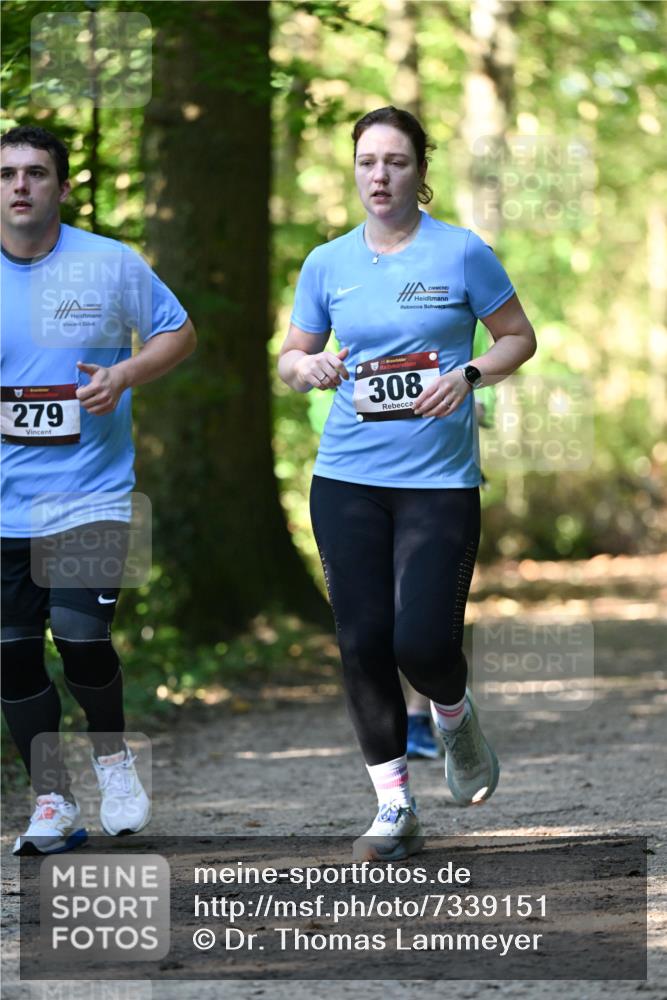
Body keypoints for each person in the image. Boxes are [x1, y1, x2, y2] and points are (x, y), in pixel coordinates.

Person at [278, 106, 536, 862]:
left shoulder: (461, 254)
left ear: (421, 171)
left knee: (421, 640)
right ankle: (393, 807)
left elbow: (517, 336)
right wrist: (309, 368)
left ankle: (453, 718)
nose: (379, 175)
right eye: (366, 162)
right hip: (346, 479)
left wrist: (468, 374)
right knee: (360, 641)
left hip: (438, 483)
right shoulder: (327, 263)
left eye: (394, 161)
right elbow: (291, 359)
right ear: (353, 171)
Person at [1, 125, 196, 855]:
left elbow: (178, 333)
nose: (20, 185)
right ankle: (53, 801)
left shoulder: (109, 264)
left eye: (36, 173)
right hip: (2, 509)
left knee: (81, 638)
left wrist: (123, 374)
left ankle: (113, 760)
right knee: (13, 659)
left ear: (60, 186)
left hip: (90, 496)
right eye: (7, 173)